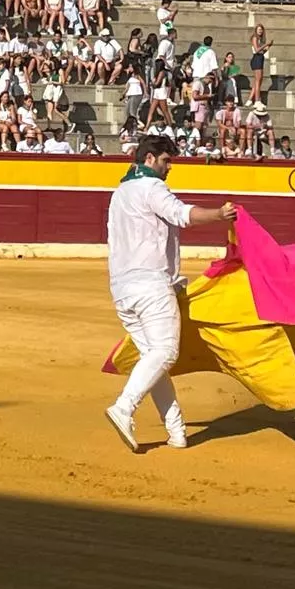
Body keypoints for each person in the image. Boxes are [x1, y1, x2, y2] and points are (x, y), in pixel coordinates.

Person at [103, 134, 236, 453]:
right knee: (164, 352)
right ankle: (124, 407)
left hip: (122, 289)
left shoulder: (120, 193)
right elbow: (182, 214)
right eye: (166, 161)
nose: (169, 167)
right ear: (149, 159)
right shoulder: (152, 187)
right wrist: (219, 215)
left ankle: (176, 430)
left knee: (154, 359)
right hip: (150, 284)